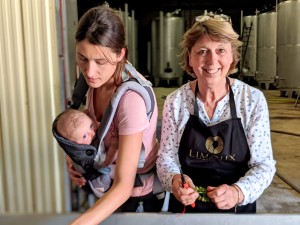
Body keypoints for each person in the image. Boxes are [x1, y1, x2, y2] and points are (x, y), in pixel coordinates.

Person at [156, 13, 276, 213]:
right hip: (188, 211)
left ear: (232, 57)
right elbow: (166, 159)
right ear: (190, 58)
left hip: (237, 213)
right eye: (202, 51)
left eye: (221, 50)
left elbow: (264, 165)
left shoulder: (252, 100)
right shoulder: (176, 102)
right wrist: (176, 181)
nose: (212, 61)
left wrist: (238, 192)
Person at [65, 5, 162, 225]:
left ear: (120, 54)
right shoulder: (91, 82)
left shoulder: (130, 101)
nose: (90, 72)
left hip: (135, 200)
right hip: (105, 186)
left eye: (100, 62)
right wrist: (72, 158)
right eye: (82, 58)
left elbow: (124, 187)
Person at [54, 108, 112, 195]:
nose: (92, 133)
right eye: (85, 136)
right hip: (99, 181)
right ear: (74, 145)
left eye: (91, 126)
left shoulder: (87, 120)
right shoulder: (84, 155)